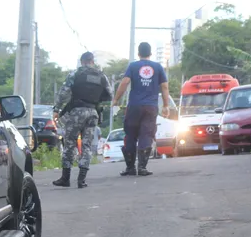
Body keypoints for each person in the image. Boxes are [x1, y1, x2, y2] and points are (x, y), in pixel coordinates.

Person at [52, 51, 112, 188]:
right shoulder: (101, 76)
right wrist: (96, 99)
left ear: (82, 61)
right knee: (87, 146)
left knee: (69, 143)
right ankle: (81, 180)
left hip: (76, 112)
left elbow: (64, 92)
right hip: (93, 113)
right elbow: (109, 94)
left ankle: (65, 178)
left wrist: (57, 108)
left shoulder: (75, 74)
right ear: (92, 61)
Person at [111, 42, 170, 176]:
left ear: (138, 53)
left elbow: (125, 82)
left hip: (134, 106)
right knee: (146, 134)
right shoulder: (158, 67)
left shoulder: (133, 66)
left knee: (130, 134)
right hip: (151, 107)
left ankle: (130, 167)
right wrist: (166, 106)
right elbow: (165, 87)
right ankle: (142, 167)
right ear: (150, 53)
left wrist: (116, 99)